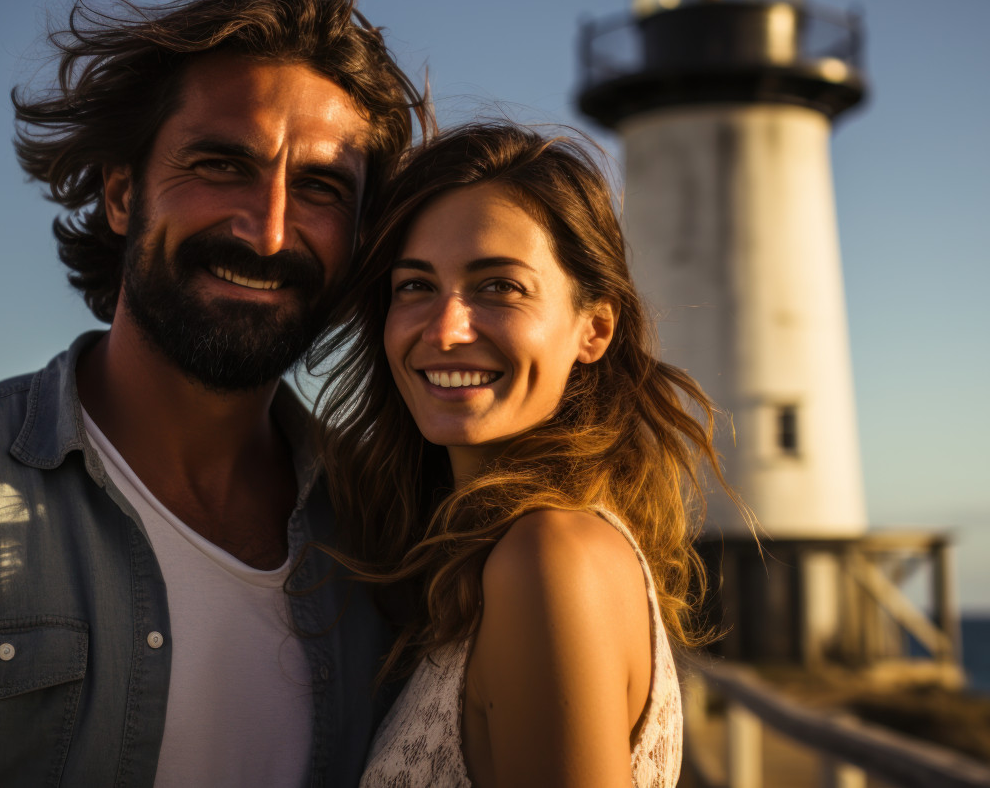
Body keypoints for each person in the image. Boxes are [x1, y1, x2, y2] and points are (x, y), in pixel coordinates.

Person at [0, 0, 429, 787]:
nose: (270, 230)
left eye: (322, 188)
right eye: (222, 165)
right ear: (122, 193)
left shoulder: (386, 532)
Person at [307, 123, 747, 787]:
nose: (446, 329)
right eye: (415, 286)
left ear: (594, 327)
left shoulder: (550, 558)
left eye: (499, 287)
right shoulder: (486, 551)